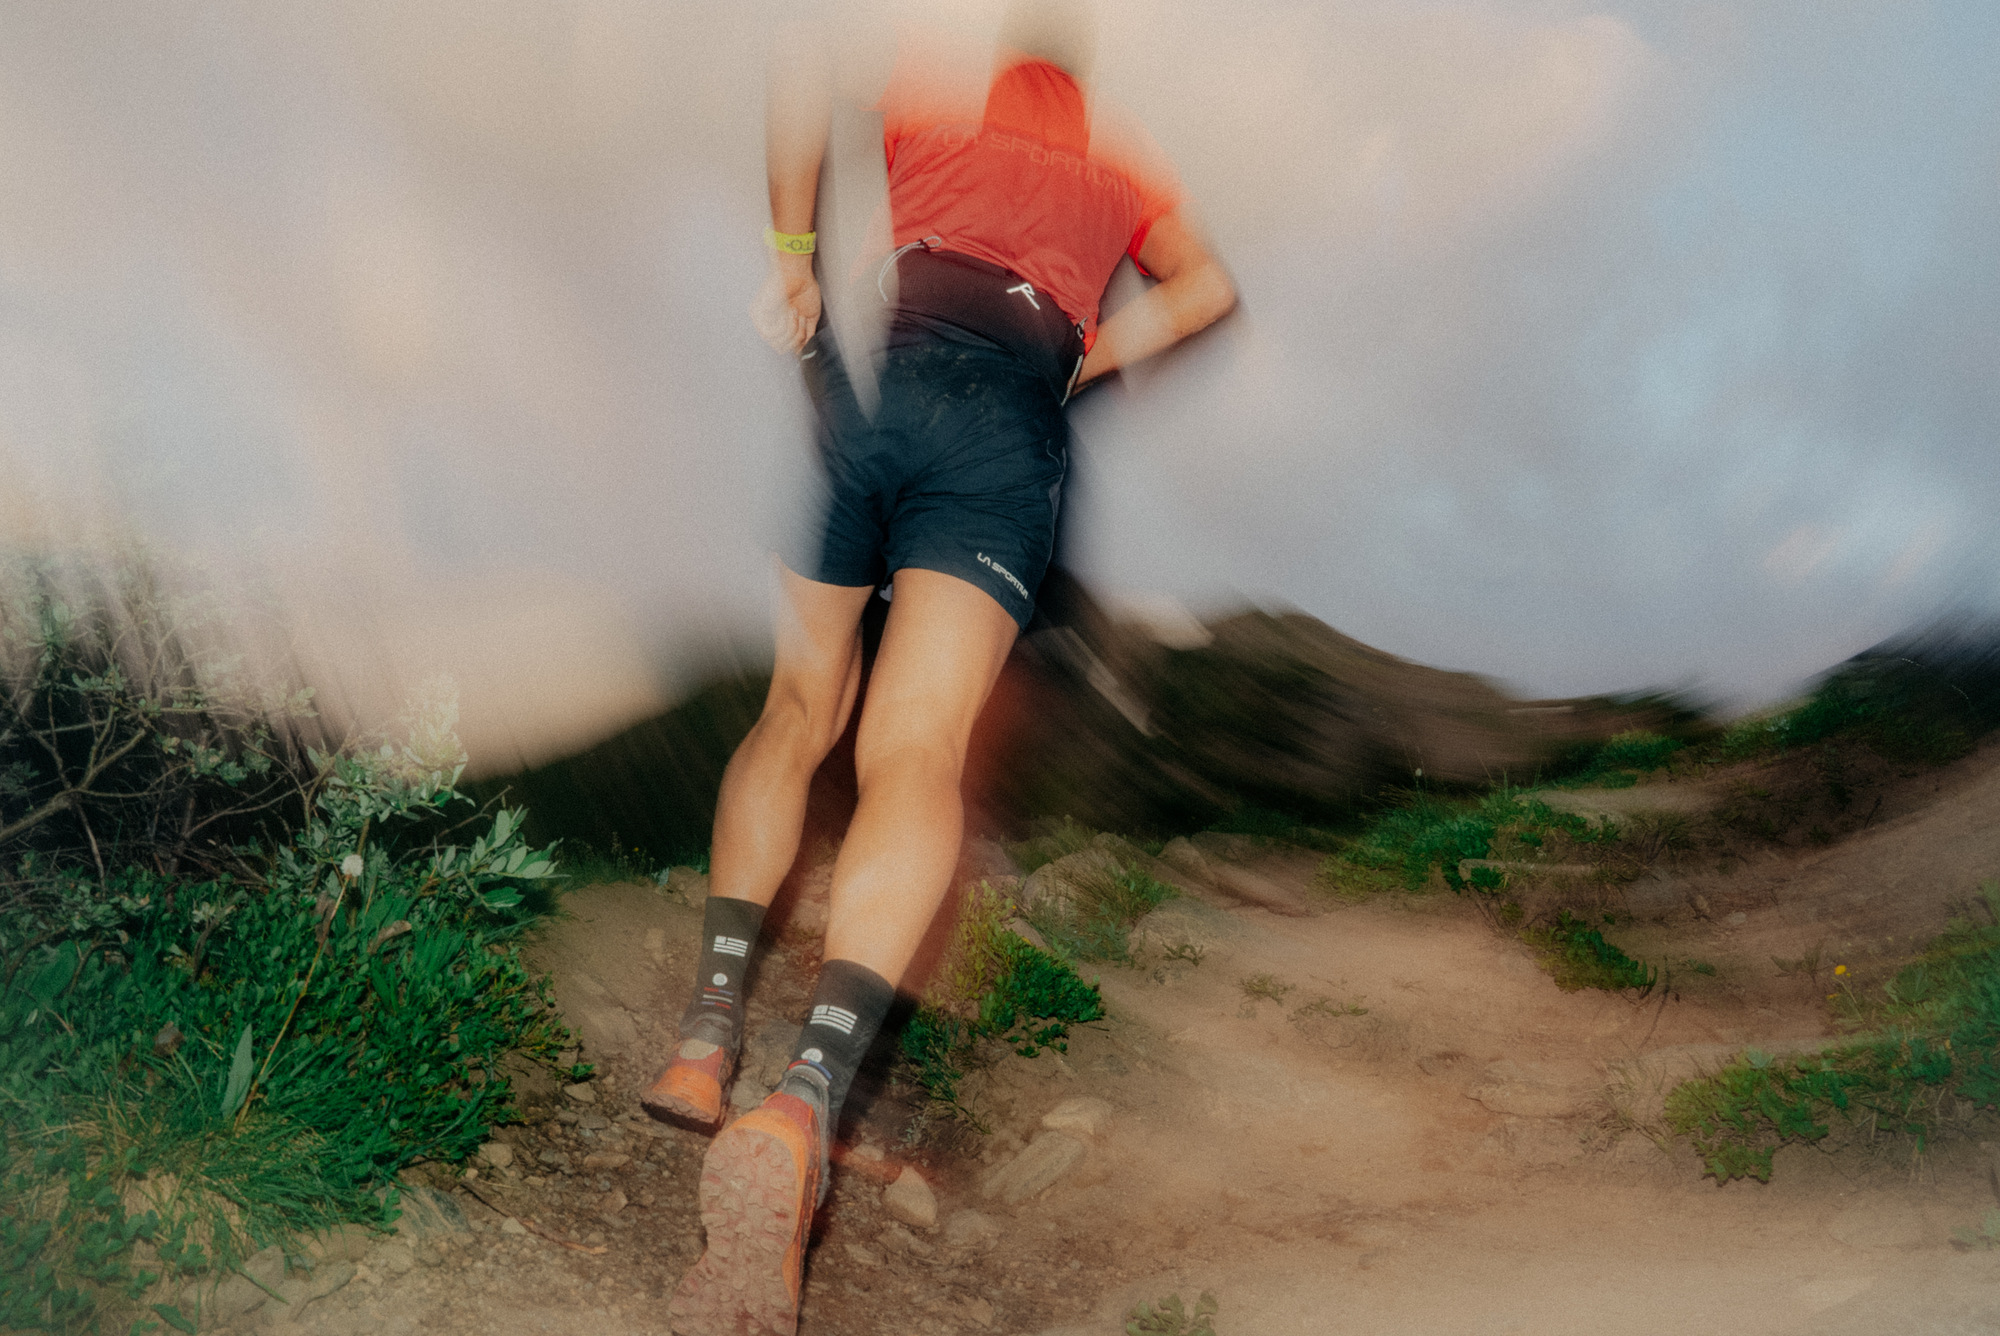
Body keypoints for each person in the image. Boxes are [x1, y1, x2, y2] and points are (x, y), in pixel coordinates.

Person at [647, 6, 1234, 1333]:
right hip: (1005, 439)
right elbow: (1205, 292)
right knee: (914, 754)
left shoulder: (937, 103)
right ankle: (804, 1101)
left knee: (800, 711)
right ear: (1077, 76)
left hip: (889, 402)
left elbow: (798, 64)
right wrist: (1094, 357)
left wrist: (794, 260)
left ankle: (700, 1051)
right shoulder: (1123, 161)